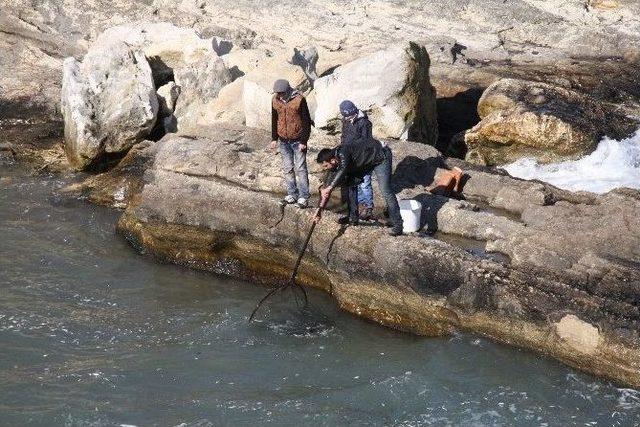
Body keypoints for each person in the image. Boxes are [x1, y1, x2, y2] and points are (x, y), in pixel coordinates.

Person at [314, 139, 404, 236]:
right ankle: (353, 218)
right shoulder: (333, 163)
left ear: (332, 160)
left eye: (326, 166)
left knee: (385, 190)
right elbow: (326, 190)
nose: (325, 169)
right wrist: (319, 210)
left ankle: (398, 225)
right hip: (364, 162)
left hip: (380, 156)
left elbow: (343, 169)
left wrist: (330, 187)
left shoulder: (343, 153)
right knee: (350, 184)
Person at [271, 79, 312, 208]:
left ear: (288, 90)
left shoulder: (299, 100)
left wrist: (304, 141)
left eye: (282, 92)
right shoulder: (275, 100)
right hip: (283, 140)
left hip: (298, 140)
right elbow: (274, 118)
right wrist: (274, 138)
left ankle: (304, 196)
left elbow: (306, 121)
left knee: (301, 169)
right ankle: (292, 194)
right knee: (288, 168)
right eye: (278, 93)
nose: (280, 95)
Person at [339, 100, 375, 221]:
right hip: (350, 156)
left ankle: (368, 206)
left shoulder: (365, 123)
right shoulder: (345, 120)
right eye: (345, 116)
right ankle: (360, 205)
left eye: (348, 116)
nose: (347, 118)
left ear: (354, 111)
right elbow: (344, 137)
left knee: (365, 183)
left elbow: (366, 142)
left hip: (363, 158)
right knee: (356, 183)